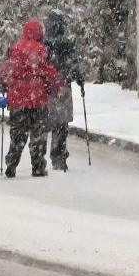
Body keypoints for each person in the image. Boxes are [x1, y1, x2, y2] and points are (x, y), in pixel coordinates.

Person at [0, 19, 62, 178]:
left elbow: (4, 71)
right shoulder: (42, 50)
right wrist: (53, 87)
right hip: (38, 99)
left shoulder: (14, 49)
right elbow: (50, 73)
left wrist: (3, 86)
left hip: (18, 100)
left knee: (18, 134)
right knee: (38, 135)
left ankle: (11, 163)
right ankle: (38, 166)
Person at [43, 9, 85, 171]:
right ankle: (58, 156)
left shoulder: (43, 45)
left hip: (47, 89)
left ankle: (39, 155)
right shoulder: (67, 46)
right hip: (63, 89)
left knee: (45, 122)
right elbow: (74, 67)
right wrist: (79, 80)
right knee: (61, 125)